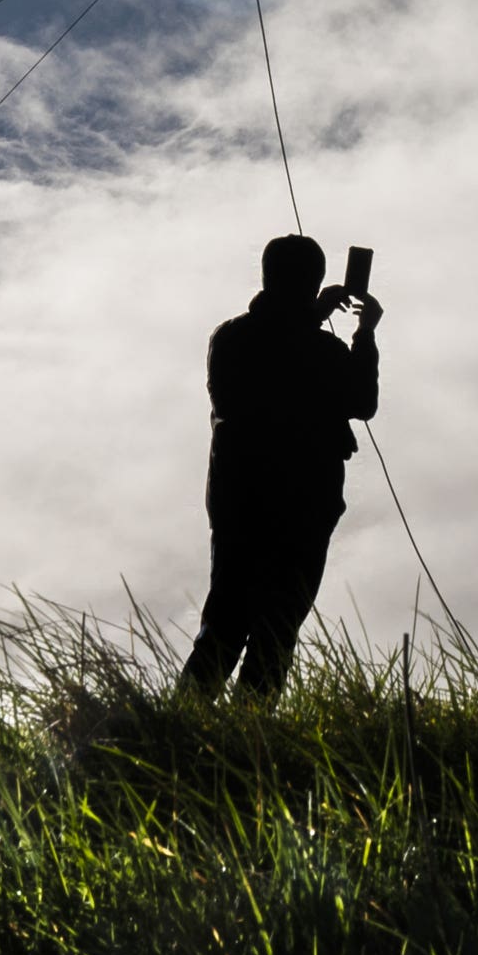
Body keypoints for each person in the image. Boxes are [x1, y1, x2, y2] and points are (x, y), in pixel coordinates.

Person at [178, 233, 383, 699]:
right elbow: (363, 403)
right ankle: (249, 742)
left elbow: (271, 362)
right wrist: (364, 333)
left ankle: (180, 727)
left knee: (226, 622)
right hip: (305, 507)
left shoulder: (229, 338)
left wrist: (312, 315)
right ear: (315, 283)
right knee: (277, 629)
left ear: (266, 277)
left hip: (238, 502)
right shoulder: (326, 353)